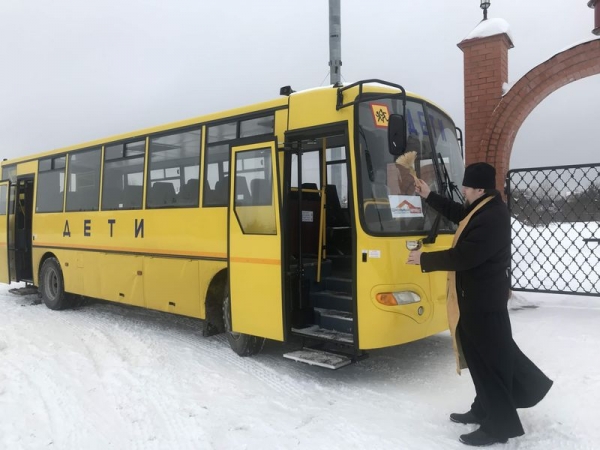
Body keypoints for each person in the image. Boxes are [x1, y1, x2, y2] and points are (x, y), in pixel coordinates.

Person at [406, 162, 553, 447]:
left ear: (479, 189)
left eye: (467, 186)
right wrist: (428, 195)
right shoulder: (482, 209)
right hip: (476, 303)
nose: (463, 190)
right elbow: (459, 214)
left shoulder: (492, 217)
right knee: (480, 359)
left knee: (491, 363)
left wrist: (424, 259)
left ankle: (499, 426)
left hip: (484, 305)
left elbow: (464, 256)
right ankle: (483, 408)